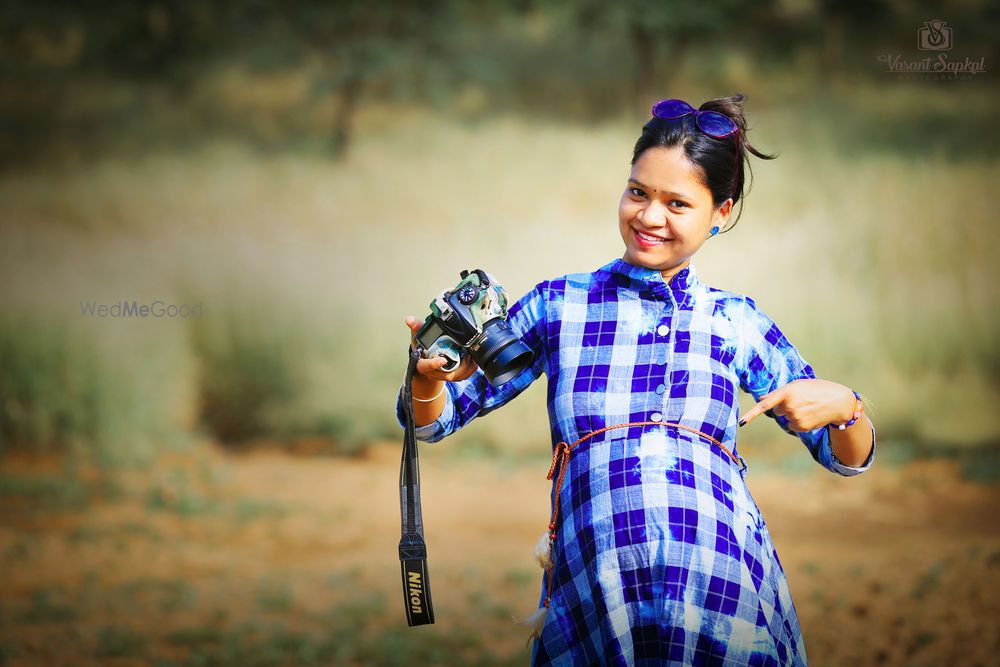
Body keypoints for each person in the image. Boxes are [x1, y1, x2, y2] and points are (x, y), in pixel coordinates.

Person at [396, 94, 876, 666]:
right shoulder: (560, 305)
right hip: (598, 593)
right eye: (637, 193)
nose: (649, 217)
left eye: (677, 203)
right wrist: (426, 379)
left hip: (721, 593)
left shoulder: (737, 319)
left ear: (720, 213)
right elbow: (436, 419)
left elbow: (847, 456)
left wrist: (846, 405)